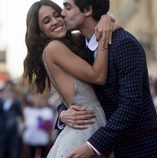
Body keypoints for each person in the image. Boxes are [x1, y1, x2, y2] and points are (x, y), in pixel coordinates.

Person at [55, 0, 157, 157]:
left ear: (87, 9)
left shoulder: (124, 43)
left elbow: (131, 103)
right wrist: (63, 114)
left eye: (67, 7)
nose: (62, 13)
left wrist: (93, 146)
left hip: (139, 147)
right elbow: (76, 93)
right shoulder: (79, 48)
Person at [22, 0, 118, 157]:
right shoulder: (54, 48)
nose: (55, 22)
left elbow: (98, 27)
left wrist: (106, 18)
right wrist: (105, 34)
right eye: (46, 21)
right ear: (40, 32)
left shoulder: (72, 43)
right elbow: (98, 76)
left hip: (88, 124)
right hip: (86, 127)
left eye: (56, 15)